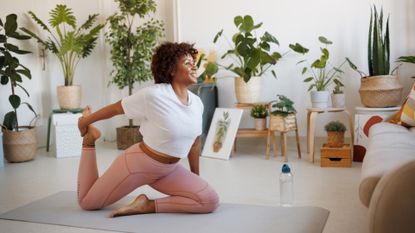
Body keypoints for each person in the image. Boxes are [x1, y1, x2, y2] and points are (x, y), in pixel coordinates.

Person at [77, 42, 219, 217]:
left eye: (194, 62)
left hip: (170, 170)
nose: (194, 66)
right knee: (87, 202)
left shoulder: (197, 103)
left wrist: (196, 178)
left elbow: (195, 143)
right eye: (187, 63)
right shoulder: (154, 95)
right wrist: (85, 121)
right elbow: (115, 108)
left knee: (209, 200)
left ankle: (147, 205)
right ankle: (89, 140)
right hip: (138, 166)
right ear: (172, 70)